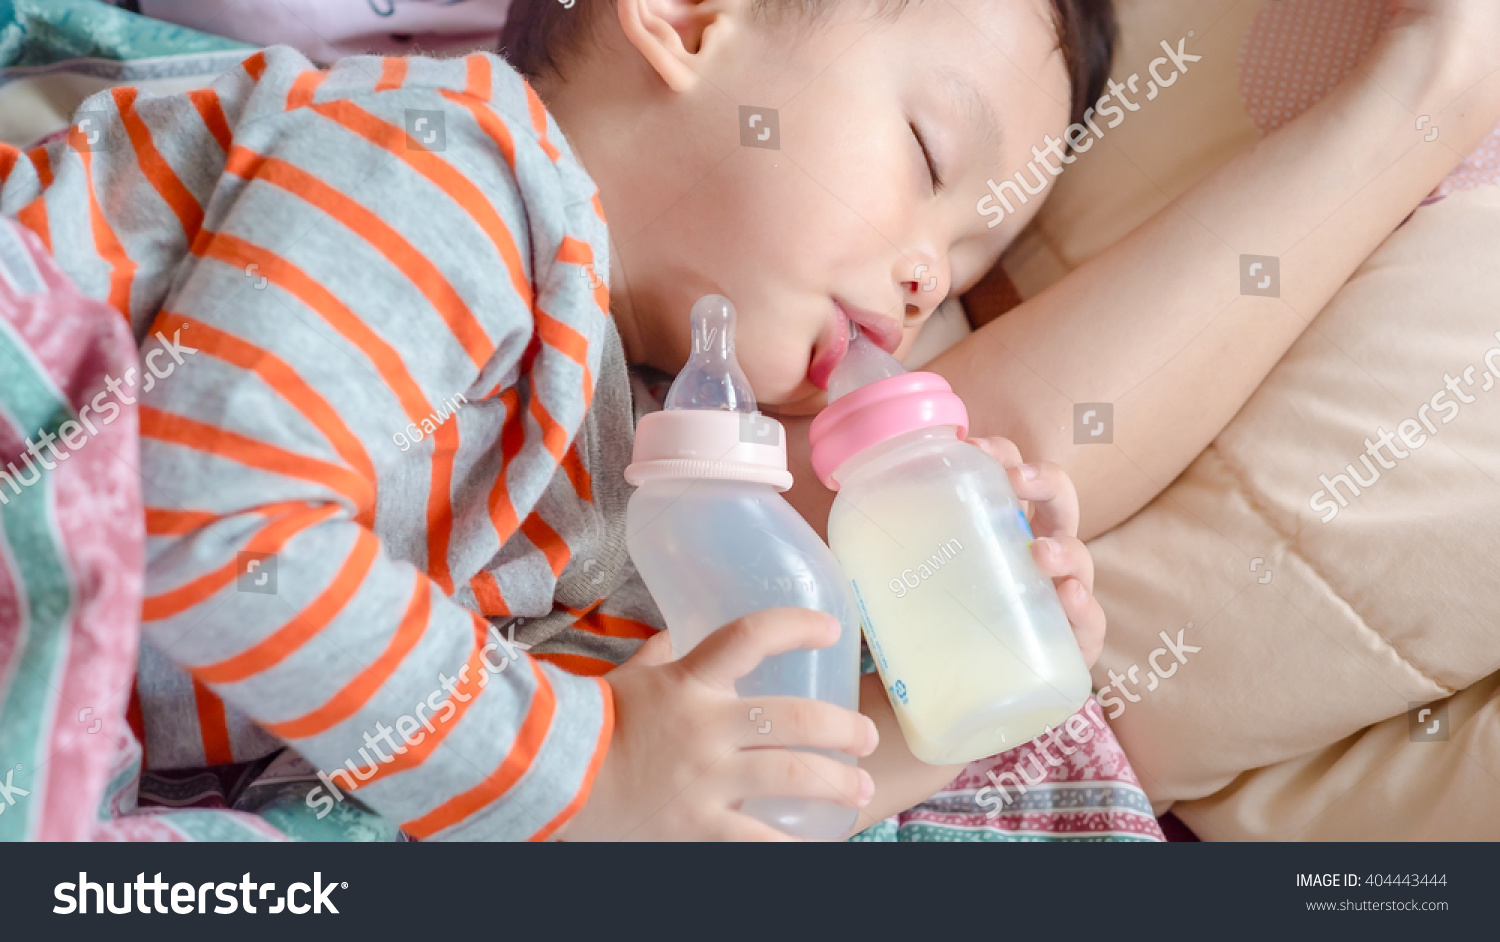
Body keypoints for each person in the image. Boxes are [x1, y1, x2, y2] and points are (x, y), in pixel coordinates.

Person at [0, 0, 1118, 840]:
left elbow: (728, 803)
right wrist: (585, 764)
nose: (931, 280)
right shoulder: (452, 166)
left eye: (974, 255)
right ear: (689, 18)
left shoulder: (630, 473)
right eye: (930, 159)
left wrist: (964, 679)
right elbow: (209, 517)